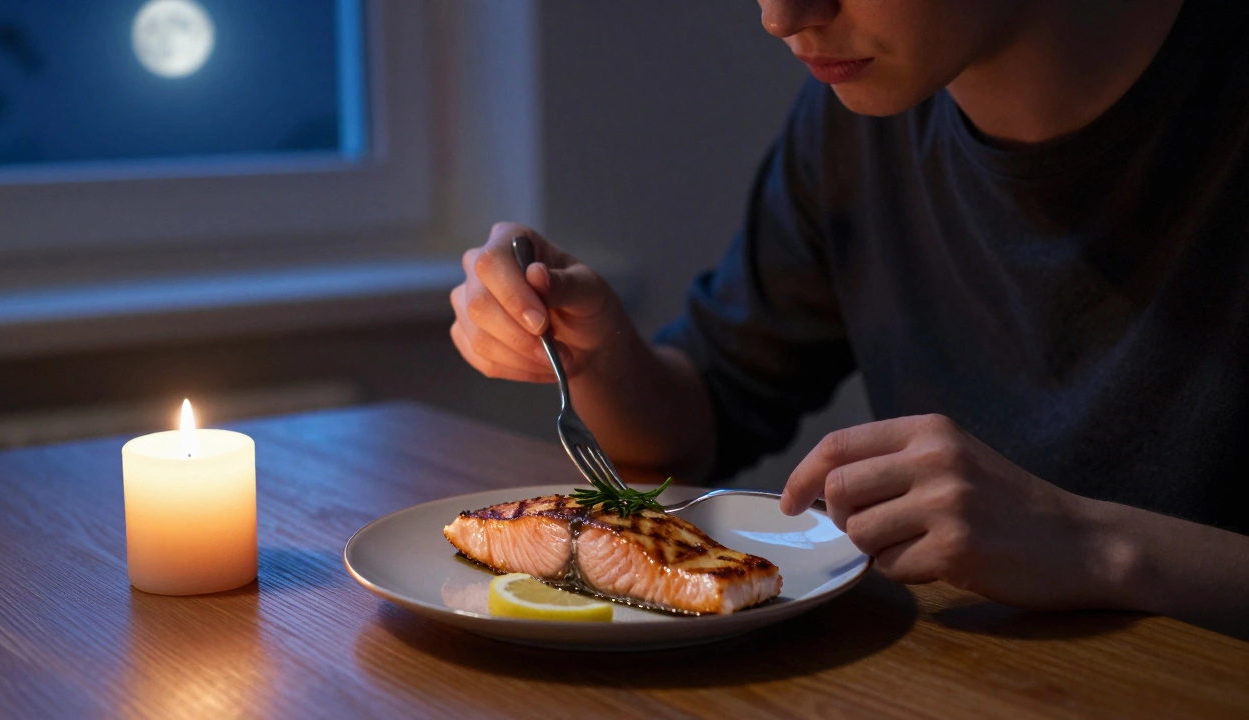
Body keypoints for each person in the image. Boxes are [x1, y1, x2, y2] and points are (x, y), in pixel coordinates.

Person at [448, 0, 1249, 636]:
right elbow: (703, 419)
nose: (781, 16)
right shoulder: (853, 121)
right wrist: (596, 355)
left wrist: (1093, 544)